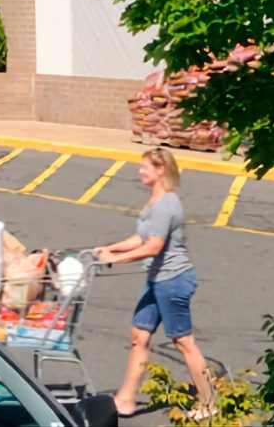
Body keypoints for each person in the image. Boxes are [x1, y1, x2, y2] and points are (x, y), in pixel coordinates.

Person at [94, 148, 218, 421]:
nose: (140, 170)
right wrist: (111, 248)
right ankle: (125, 400)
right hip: (156, 280)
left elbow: (153, 246)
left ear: (161, 170)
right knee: (139, 335)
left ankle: (208, 401)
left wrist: (116, 259)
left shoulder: (166, 205)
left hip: (172, 280)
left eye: (145, 167)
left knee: (183, 341)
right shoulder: (155, 200)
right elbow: (141, 238)